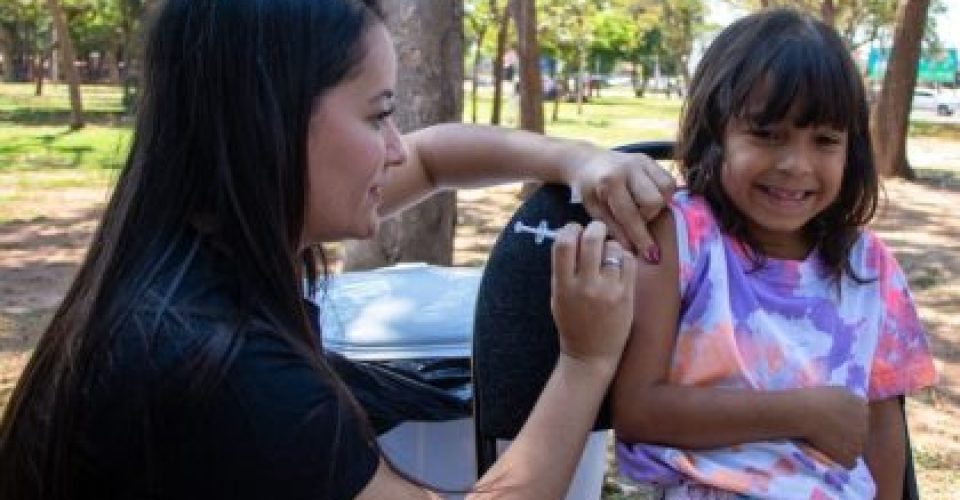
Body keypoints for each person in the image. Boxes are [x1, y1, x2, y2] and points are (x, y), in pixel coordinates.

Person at [0, 1, 675, 499]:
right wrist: (585, 360)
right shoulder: (231, 374)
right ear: (272, 118)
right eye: (378, 113)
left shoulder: (188, 242)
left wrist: (579, 159)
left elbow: (436, 158)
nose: (395, 147)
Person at [611, 9, 937, 500]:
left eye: (825, 141)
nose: (795, 165)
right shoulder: (680, 238)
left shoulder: (869, 268)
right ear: (715, 133)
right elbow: (636, 411)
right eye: (766, 134)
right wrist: (804, 413)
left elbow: (882, 430)